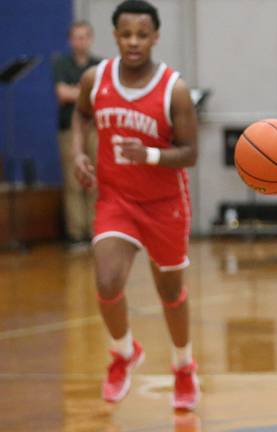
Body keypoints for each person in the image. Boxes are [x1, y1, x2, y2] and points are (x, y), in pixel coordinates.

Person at [72, 0, 200, 410]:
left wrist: (147, 154)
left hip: (165, 204)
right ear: (114, 36)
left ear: (155, 37)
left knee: (170, 292)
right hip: (116, 199)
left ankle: (183, 365)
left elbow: (191, 153)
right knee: (107, 281)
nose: (133, 42)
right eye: (126, 34)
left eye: (141, 35)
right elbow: (80, 115)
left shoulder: (172, 89)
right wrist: (79, 154)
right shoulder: (96, 78)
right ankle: (123, 353)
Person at [53, 20, 101, 246]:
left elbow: (101, 95)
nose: (80, 41)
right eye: (76, 37)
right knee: (73, 181)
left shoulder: (98, 65)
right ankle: (76, 233)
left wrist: (78, 92)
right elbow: (62, 93)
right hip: (68, 130)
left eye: (84, 36)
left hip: (95, 128)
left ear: (90, 39)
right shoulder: (61, 64)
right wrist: (86, 92)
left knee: (96, 179)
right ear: (70, 40)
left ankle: (96, 230)